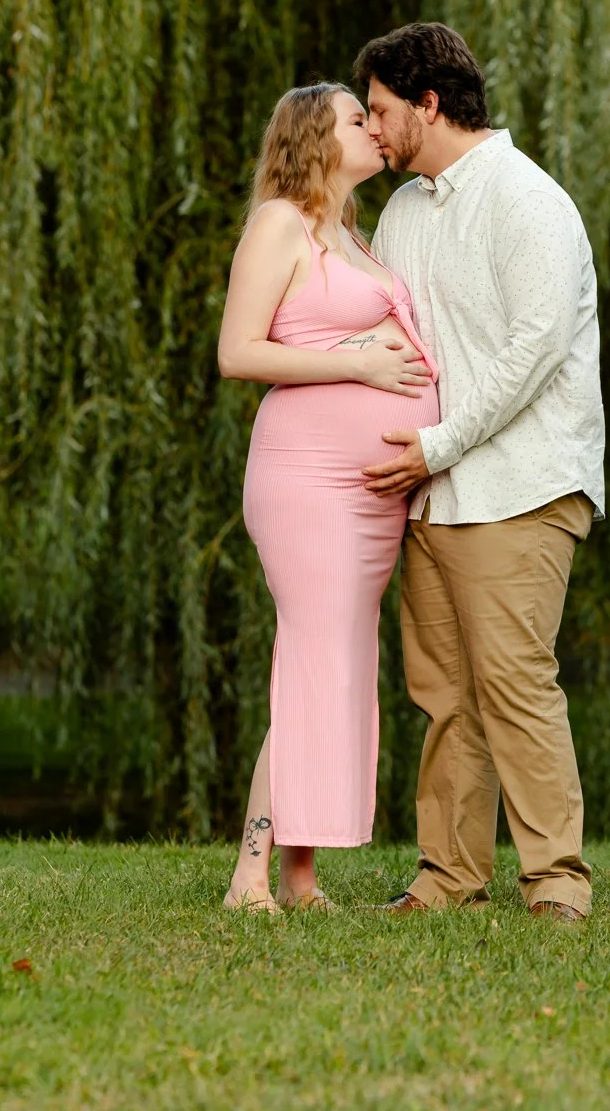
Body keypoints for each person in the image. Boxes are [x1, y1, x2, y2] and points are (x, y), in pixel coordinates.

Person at [355, 22, 605, 923]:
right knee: (444, 694)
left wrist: (440, 443)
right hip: (433, 488)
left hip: (521, 484)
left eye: (381, 111)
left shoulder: (525, 199)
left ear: (428, 104)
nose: (370, 129)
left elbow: (532, 349)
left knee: (513, 683)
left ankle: (556, 884)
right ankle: (449, 876)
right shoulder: (404, 211)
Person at [217, 83, 439, 913]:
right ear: (316, 137)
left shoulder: (349, 232)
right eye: (358, 120)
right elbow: (239, 352)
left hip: (368, 491)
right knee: (311, 668)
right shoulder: (279, 222)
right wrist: (358, 360)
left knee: (336, 673)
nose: (375, 131)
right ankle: (249, 875)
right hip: (307, 481)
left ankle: (299, 878)